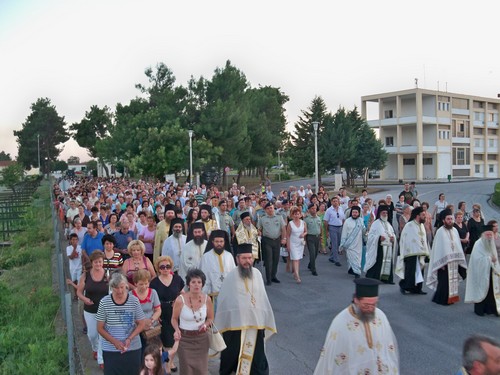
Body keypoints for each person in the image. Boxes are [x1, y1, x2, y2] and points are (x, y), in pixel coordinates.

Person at [313, 278, 399, 375]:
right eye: (366, 305)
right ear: (356, 300)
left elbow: (388, 349)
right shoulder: (341, 322)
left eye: (374, 304)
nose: (370, 308)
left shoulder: (380, 317)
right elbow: (333, 357)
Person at [215, 243, 277, 375]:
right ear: (237, 259)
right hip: (235, 325)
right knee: (232, 353)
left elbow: (262, 299)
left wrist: (264, 317)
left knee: (257, 356)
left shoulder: (258, 274)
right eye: (244, 258)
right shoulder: (231, 276)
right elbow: (224, 301)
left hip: (255, 323)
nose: (247, 261)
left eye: (250, 258)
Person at [96, 272, 147, 375]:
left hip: (133, 347)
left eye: (122, 287)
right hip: (111, 349)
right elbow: (100, 328)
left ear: (126, 286)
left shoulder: (134, 301)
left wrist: (130, 338)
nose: (119, 291)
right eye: (116, 288)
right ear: (111, 287)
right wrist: (114, 342)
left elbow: (141, 323)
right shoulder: (104, 302)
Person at [171, 268, 214, 375]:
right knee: (187, 370)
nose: (196, 285)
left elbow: (210, 318)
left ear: (202, 284)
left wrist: (205, 324)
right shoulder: (180, 300)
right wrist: (176, 329)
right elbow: (174, 319)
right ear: (188, 284)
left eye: (199, 282)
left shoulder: (207, 299)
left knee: (202, 370)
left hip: (202, 339)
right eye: (193, 282)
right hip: (185, 339)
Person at [149, 256, 184, 373]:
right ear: (158, 268)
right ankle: (168, 362)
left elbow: (183, 294)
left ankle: (170, 361)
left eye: (168, 266)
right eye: (162, 267)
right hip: (161, 312)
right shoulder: (154, 282)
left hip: (175, 311)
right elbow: (152, 299)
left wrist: (178, 299)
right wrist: (155, 314)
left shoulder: (177, 279)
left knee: (175, 338)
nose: (165, 269)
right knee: (165, 340)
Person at [427, 209, 467, 305]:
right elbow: (437, 249)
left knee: (451, 282)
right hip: (443, 262)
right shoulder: (440, 232)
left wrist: (459, 260)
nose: (450, 221)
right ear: (443, 220)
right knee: (444, 283)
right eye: (448, 219)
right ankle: (441, 300)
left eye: (451, 219)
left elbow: (457, 246)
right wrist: (440, 263)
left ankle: (450, 298)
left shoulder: (455, 230)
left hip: (454, 261)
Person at [76, 250, 108, 368]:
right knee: (92, 334)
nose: (98, 264)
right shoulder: (86, 275)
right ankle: (95, 348)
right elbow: (79, 292)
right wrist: (85, 299)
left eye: (100, 262)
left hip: (104, 310)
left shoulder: (107, 275)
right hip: (90, 309)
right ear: (92, 262)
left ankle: (101, 359)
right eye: (96, 262)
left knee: (102, 334)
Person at [465, 225, 500, 316]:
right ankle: (480, 310)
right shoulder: (478, 244)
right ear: (483, 235)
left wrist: (495, 263)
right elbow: (477, 260)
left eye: (490, 234)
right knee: (482, 290)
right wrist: (489, 259)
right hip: (481, 272)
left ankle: (491, 309)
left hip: (491, 272)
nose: (489, 236)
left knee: (491, 292)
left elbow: (495, 257)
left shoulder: (492, 243)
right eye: (487, 235)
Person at [396, 206, 430, 295]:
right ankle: (403, 286)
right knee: (410, 272)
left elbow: (423, 239)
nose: (425, 216)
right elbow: (404, 239)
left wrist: (426, 250)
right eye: (423, 215)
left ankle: (417, 289)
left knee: (420, 271)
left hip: (420, 253)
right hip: (410, 252)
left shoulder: (421, 225)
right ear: (417, 215)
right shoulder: (409, 225)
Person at [200, 230, 236, 308]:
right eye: (216, 241)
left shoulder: (229, 256)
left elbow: (234, 274)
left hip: (228, 294)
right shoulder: (206, 257)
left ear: (224, 242)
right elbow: (203, 275)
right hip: (212, 294)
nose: (219, 244)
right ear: (212, 242)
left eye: (221, 241)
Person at [131, 269, 162, 352]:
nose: (144, 286)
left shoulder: (153, 292)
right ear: (135, 283)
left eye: (146, 283)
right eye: (141, 284)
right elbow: (130, 314)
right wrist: (141, 323)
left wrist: (151, 321)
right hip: (136, 328)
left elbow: (158, 310)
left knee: (153, 352)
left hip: (152, 327)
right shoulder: (130, 295)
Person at [257, 202, 287, 285]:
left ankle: (273, 276)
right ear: (265, 210)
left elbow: (283, 229)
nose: (270, 209)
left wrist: (284, 238)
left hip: (277, 240)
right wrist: (259, 232)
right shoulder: (262, 219)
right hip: (267, 241)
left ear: (274, 208)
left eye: (271, 208)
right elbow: (259, 228)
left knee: (276, 259)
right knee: (269, 260)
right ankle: (268, 278)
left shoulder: (279, 217)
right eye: (268, 208)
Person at [365, 205, 397, 284]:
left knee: (388, 262)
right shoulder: (376, 223)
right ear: (380, 213)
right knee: (379, 263)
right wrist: (379, 238)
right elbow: (371, 236)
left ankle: (387, 279)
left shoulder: (389, 224)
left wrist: (394, 239)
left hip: (388, 247)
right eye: (383, 213)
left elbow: (393, 234)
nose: (385, 214)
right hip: (379, 248)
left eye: (386, 213)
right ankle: (376, 278)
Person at [339, 205, 365, 279]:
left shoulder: (361, 220)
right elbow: (344, 232)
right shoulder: (347, 221)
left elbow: (363, 231)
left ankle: (351, 269)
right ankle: (357, 272)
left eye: (356, 212)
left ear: (358, 213)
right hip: (350, 243)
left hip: (358, 243)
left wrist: (366, 234)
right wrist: (342, 243)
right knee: (351, 257)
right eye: (353, 212)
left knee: (357, 257)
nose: (354, 214)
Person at [286, 206, 307, 283]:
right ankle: (297, 275)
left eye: (298, 214)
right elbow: (287, 235)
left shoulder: (303, 222)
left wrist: (303, 235)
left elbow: (306, 231)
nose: (296, 215)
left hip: (300, 243)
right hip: (293, 243)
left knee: (298, 259)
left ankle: (295, 272)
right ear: (292, 215)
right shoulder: (290, 224)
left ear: (300, 215)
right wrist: (288, 246)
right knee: (295, 259)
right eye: (295, 214)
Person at [323, 196, 345, 267]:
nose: (335, 202)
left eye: (336, 201)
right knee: (334, 244)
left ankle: (332, 257)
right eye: (334, 201)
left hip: (340, 227)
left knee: (338, 243)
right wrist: (327, 230)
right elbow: (325, 221)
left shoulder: (341, 209)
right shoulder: (329, 210)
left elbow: (343, 218)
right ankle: (336, 260)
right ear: (332, 202)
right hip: (332, 227)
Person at [304, 203, 322, 276]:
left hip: (317, 237)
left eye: (315, 208)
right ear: (309, 210)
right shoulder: (306, 219)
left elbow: (320, 227)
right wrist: (304, 240)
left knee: (316, 253)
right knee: (312, 253)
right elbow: (304, 230)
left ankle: (310, 264)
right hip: (310, 237)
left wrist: (321, 236)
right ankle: (313, 269)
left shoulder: (318, 218)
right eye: (312, 208)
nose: (314, 210)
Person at [66, 233, 83, 298]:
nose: (74, 241)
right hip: (73, 267)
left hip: (79, 266)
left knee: (79, 281)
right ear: (70, 240)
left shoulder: (80, 247)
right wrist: (74, 249)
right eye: (73, 240)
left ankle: (79, 294)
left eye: (76, 239)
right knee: (74, 280)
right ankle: (75, 294)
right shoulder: (68, 248)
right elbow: (71, 257)